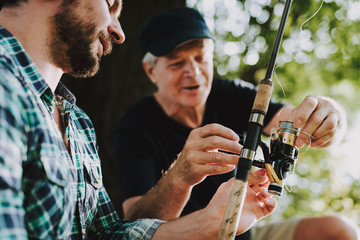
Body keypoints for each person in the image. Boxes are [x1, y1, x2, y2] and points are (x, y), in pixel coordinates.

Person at [0, 1, 278, 239]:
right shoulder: (5, 88)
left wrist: (210, 222)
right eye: (110, 4)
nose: (118, 32)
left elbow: (106, 234)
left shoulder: (79, 125)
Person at [114, 7, 359, 240]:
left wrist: (329, 115)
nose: (194, 72)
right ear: (150, 71)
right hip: (185, 235)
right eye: (177, 64)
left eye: (201, 58)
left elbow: (296, 125)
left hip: (246, 232)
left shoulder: (231, 94)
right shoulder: (135, 126)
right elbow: (134, 225)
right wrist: (180, 176)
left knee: (339, 230)